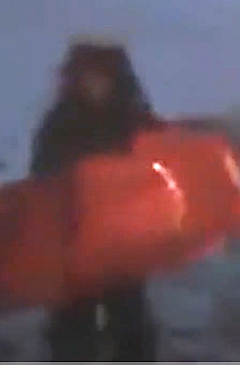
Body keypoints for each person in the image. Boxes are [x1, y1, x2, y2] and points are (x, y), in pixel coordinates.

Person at [30, 40, 163, 361]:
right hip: (76, 238)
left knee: (129, 318)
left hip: (124, 237)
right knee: (73, 323)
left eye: (103, 76)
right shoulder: (61, 122)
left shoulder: (133, 119)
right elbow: (43, 176)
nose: (96, 84)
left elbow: (160, 161)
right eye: (89, 76)